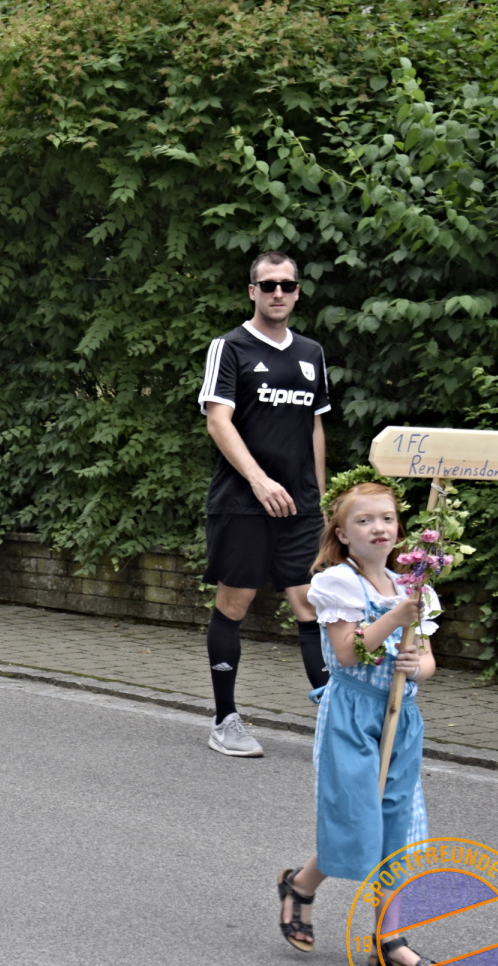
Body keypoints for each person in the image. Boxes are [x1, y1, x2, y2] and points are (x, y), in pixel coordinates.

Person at [274, 477, 446, 966]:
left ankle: (389, 941)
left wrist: (417, 666)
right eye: (364, 520)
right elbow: (348, 654)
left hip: (401, 716)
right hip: (353, 713)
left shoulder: (414, 588)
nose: (378, 527)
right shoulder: (336, 583)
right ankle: (301, 885)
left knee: (398, 827)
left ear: (399, 529)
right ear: (343, 533)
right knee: (356, 820)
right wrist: (395, 617)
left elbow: (429, 661)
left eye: (387, 518)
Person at [196, 251, 333, 757]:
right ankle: (225, 720)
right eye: (269, 284)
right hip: (243, 502)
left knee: (311, 603)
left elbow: (314, 425)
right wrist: (257, 480)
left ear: (297, 292)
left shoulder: (312, 352)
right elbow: (218, 421)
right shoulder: (229, 347)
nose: (279, 292)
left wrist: (321, 500)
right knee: (235, 602)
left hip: (300, 506)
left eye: (287, 285)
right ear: (252, 291)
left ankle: (336, 719)